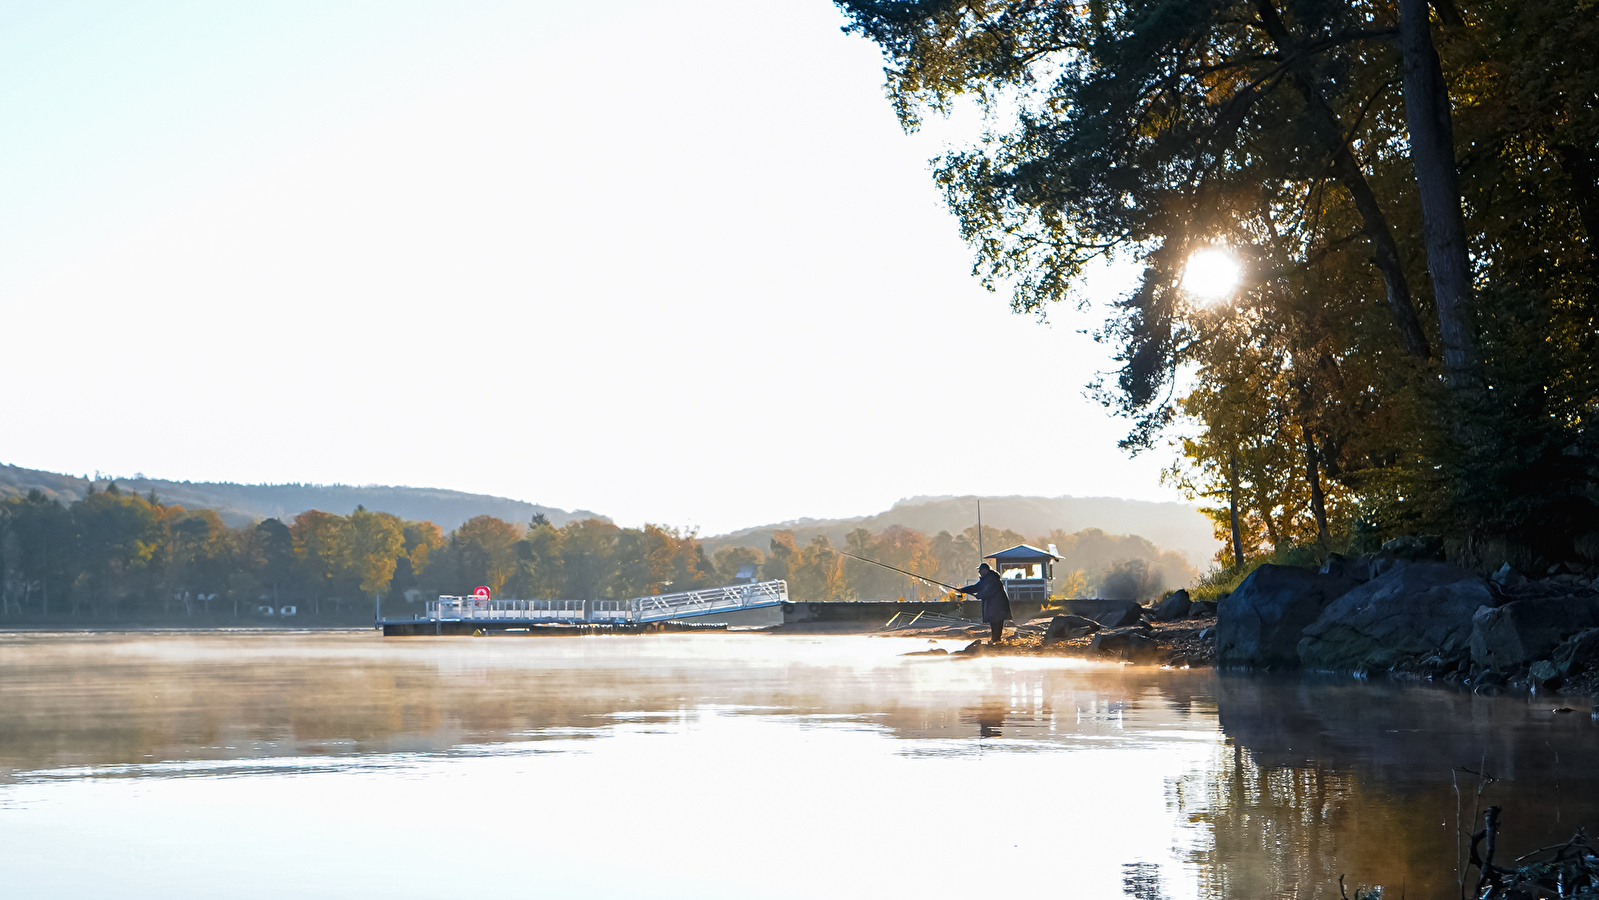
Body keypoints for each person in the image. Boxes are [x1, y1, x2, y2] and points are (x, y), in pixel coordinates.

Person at [956, 562, 1011, 643]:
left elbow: (988, 591)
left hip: (998, 607)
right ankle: (996, 640)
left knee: (997, 624)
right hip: (995, 607)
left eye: (980, 570)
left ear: (985, 570)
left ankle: (996, 640)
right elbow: (976, 587)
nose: (979, 572)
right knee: (994, 624)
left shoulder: (992, 579)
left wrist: (979, 595)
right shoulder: (986, 579)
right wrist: (964, 590)